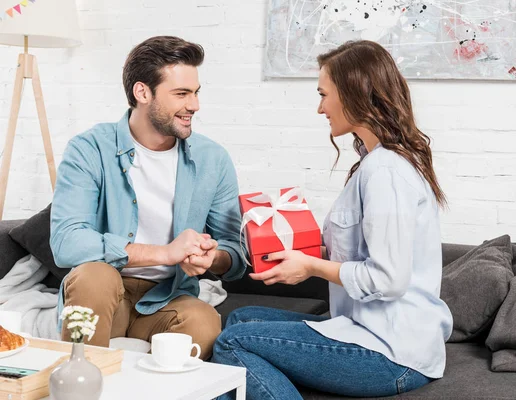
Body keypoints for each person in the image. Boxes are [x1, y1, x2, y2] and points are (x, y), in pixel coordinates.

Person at [212, 40, 453, 398]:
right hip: (365, 329)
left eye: (324, 94)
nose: (320, 108)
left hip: (392, 351)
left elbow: (389, 279)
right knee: (241, 318)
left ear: (354, 93)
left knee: (233, 343)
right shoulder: (375, 164)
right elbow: (355, 252)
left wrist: (309, 267)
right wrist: (282, 240)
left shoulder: (386, 171)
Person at [50, 36, 245, 358]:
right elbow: (67, 243)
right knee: (94, 276)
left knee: (204, 322)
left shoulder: (213, 159)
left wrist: (214, 257)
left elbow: (233, 252)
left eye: (195, 93)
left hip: (166, 297)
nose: (194, 105)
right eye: (181, 94)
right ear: (142, 92)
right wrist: (164, 253)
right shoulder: (89, 149)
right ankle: (80, 381)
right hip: (103, 290)